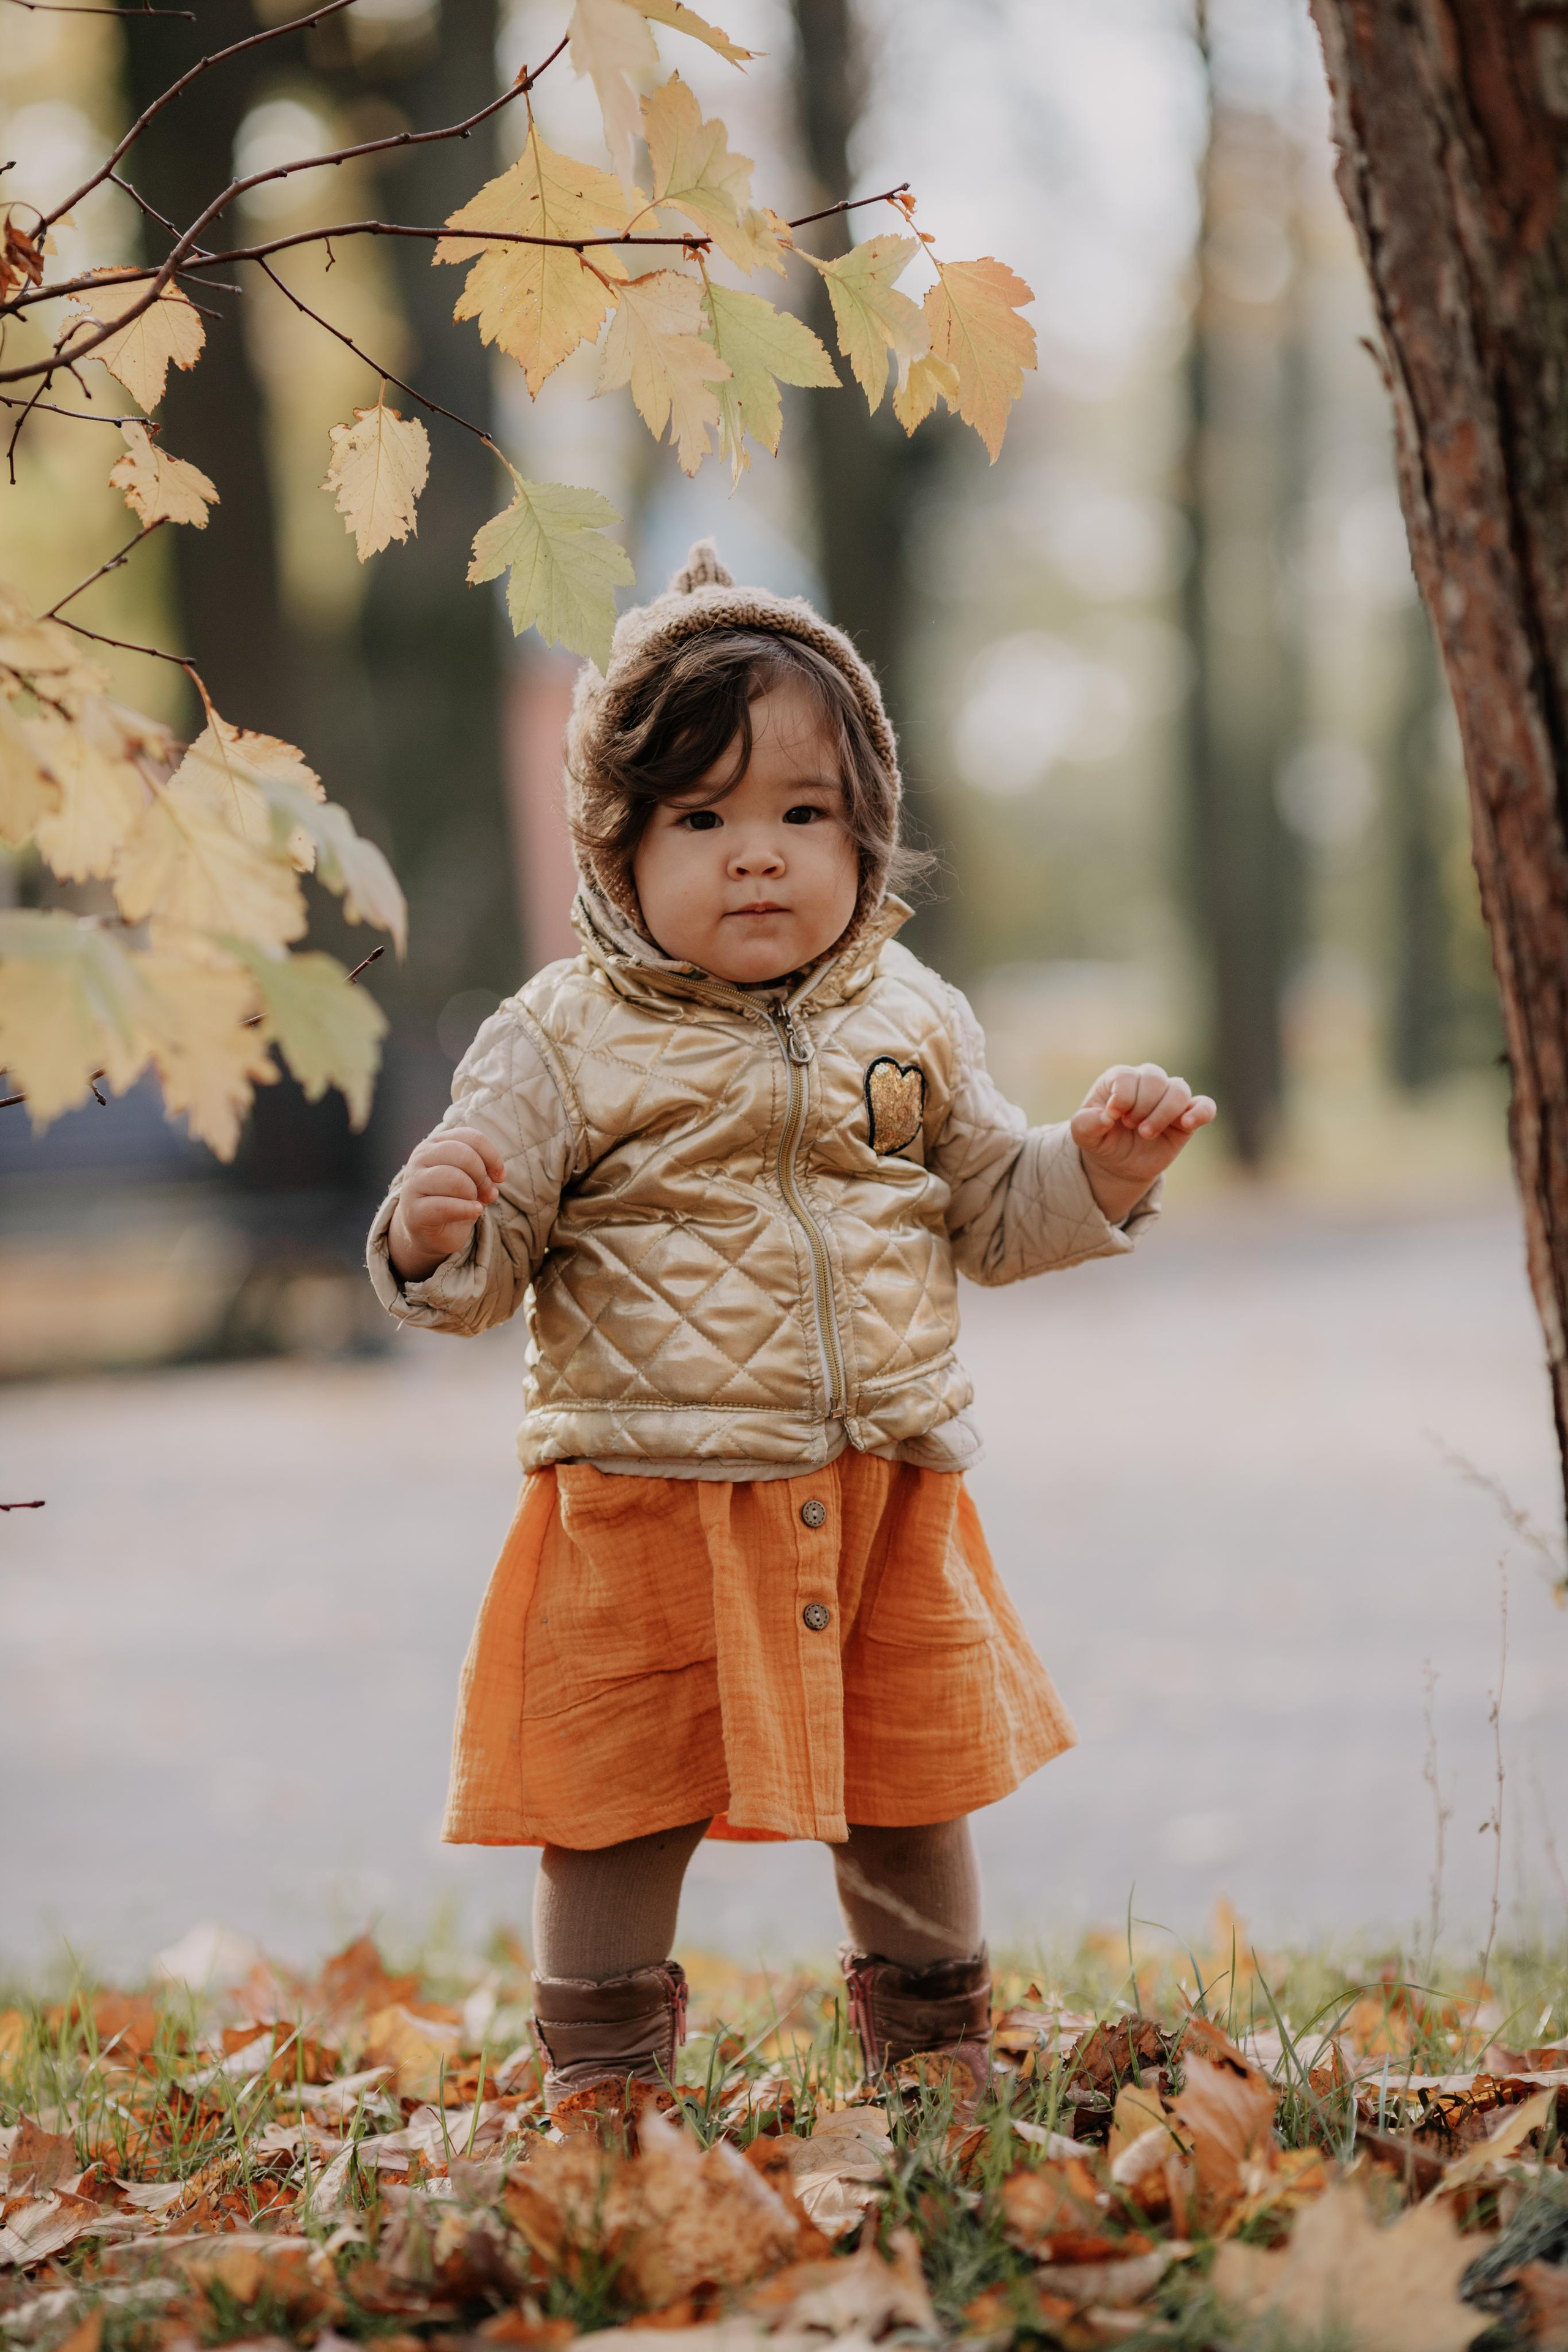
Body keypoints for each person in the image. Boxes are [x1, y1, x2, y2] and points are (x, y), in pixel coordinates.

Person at [367, 541, 1215, 2116]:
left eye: (801, 815)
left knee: (910, 1780)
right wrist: (435, 1234)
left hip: (881, 1482)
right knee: (617, 1800)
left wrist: (1097, 1171)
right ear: (616, 847)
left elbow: (990, 1212)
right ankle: (603, 2087)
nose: (755, 857)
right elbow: (479, 1278)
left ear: (865, 829)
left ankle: (937, 2063)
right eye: (700, 820)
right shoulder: (558, 1038)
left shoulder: (912, 1015)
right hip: (646, 1497)